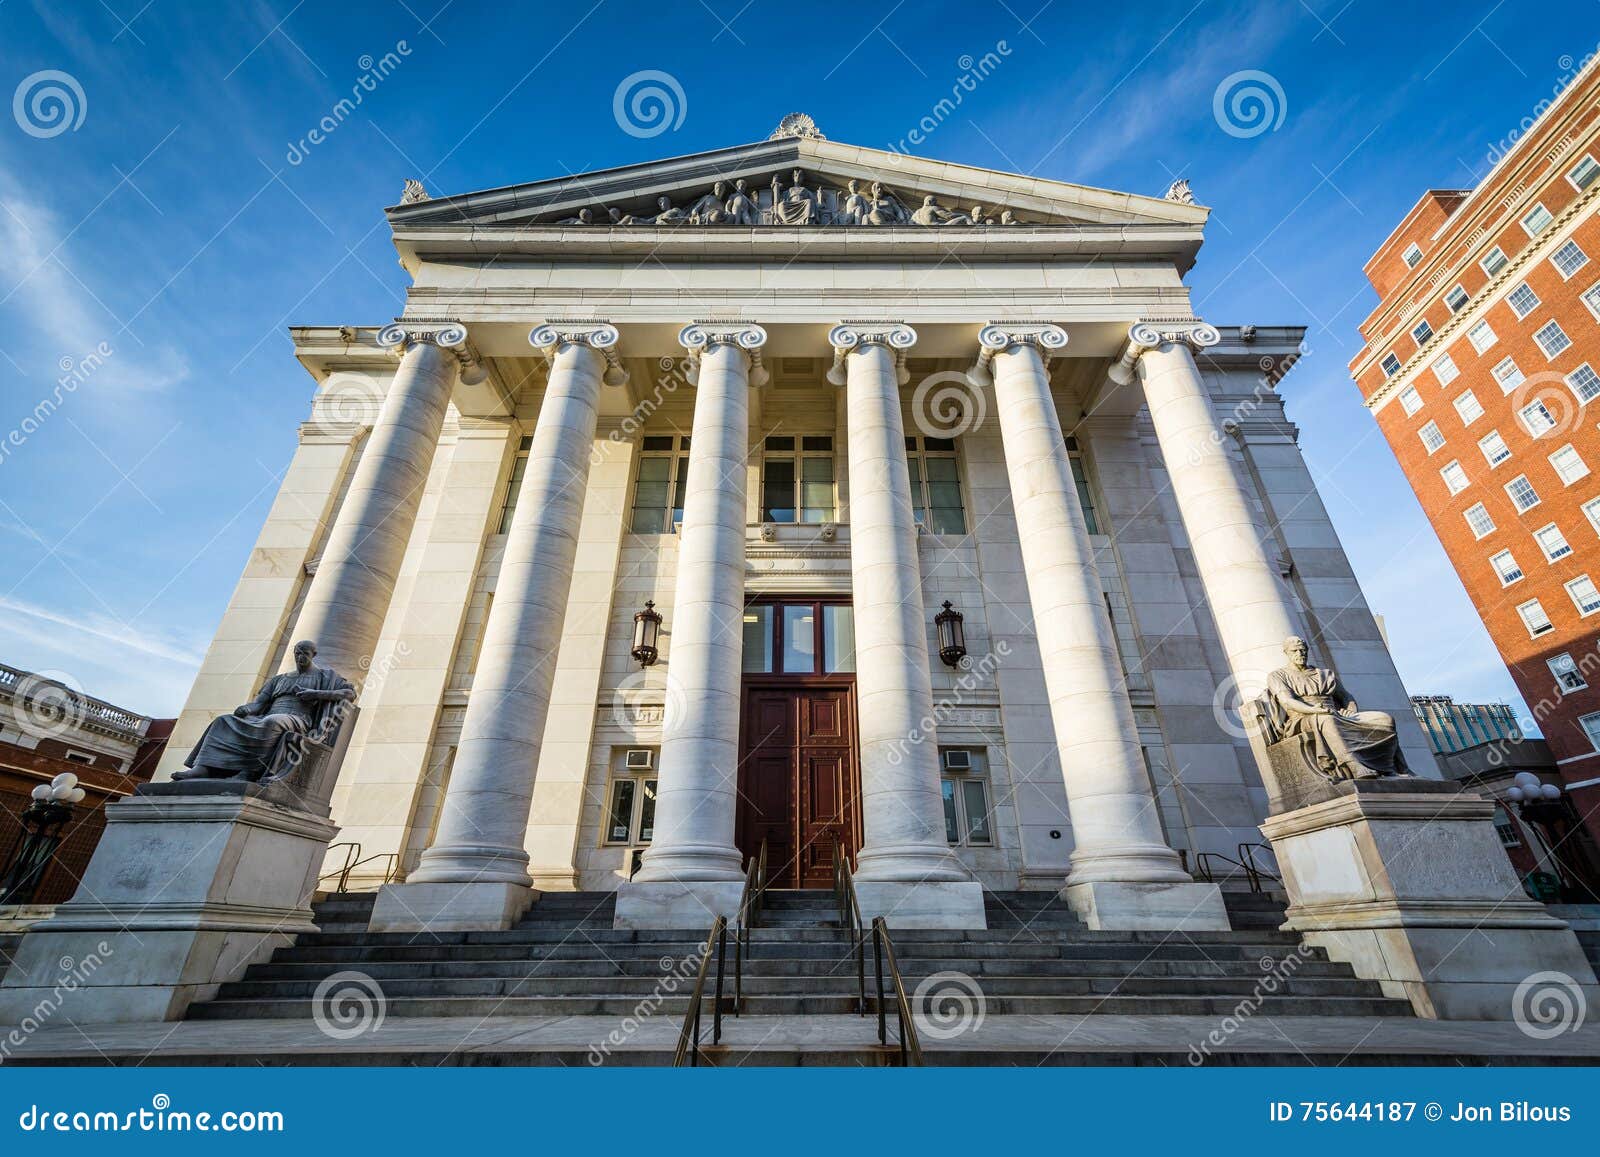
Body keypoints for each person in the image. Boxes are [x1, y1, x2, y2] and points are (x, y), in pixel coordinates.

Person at [174, 640, 355, 783]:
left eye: (305, 654)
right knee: (223, 721)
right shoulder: (279, 679)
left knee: (272, 723)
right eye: (297, 653)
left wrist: (315, 694)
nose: (300, 658)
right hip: (268, 715)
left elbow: (349, 693)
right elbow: (259, 704)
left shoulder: (325, 677)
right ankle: (203, 767)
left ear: (313, 655)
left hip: (298, 718)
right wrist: (246, 709)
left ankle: (249, 771)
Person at [1260, 636, 1409, 779]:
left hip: (1335, 713)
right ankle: (1353, 765)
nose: (1300, 654)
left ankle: (1395, 767)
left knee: (1384, 719)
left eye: (1303, 650)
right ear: (1286, 652)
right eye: (1295, 651)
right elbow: (1287, 701)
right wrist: (1314, 710)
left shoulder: (1325, 674)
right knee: (1327, 719)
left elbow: (1346, 697)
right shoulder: (1278, 676)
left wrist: (1350, 711)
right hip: (1302, 717)